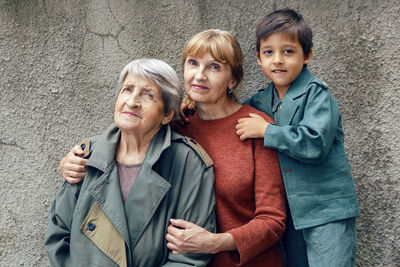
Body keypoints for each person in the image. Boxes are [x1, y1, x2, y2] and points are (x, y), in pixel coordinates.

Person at [59, 30, 287, 266]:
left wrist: (215, 242)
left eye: (214, 67)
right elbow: (126, 137)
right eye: (193, 63)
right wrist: (73, 161)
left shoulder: (256, 127)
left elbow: (273, 221)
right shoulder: (176, 125)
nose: (200, 75)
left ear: (233, 80)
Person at [45, 58, 216, 267]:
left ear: (167, 115)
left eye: (148, 95)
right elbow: (58, 234)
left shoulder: (188, 162)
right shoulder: (86, 155)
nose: (132, 101)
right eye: (127, 89)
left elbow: (190, 257)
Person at [235, 9, 359, 267]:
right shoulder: (260, 101)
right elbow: (231, 117)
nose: (277, 60)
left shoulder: (317, 95)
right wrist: (193, 108)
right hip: (291, 216)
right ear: (258, 58)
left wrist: (267, 131)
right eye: (269, 52)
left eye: (288, 51)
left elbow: (314, 143)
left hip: (327, 212)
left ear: (307, 55)